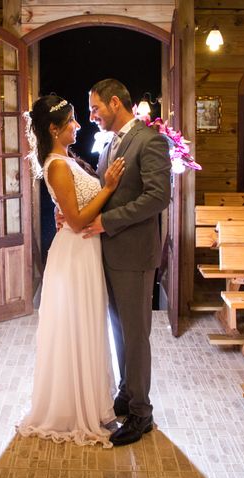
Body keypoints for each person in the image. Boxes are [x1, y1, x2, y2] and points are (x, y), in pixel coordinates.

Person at [16, 95, 125, 447]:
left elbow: (72, 209)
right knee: (78, 327)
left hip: (83, 252)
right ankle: (73, 409)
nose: (78, 126)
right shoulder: (57, 165)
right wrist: (108, 187)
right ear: (53, 128)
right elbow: (77, 220)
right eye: (72, 121)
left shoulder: (64, 160)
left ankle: (91, 403)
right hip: (75, 253)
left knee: (87, 326)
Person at [82, 79, 171, 446]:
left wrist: (108, 221)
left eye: (95, 108)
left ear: (115, 102)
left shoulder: (150, 141)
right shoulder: (111, 144)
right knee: (119, 330)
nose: (92, 116)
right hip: (112, 253)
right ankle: (125, 393)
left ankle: (141, 414)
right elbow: (109, 190)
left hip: (134, 253)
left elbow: (158, 197)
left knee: (136, 336)